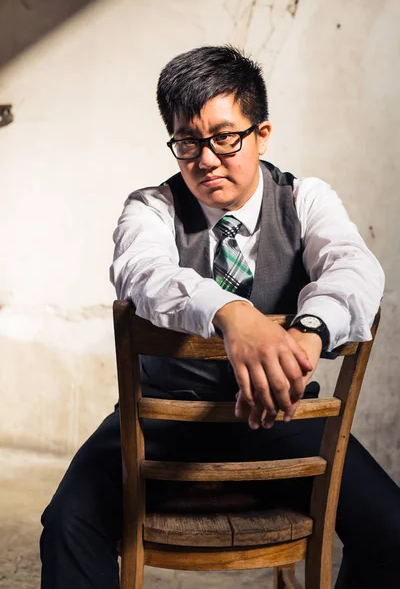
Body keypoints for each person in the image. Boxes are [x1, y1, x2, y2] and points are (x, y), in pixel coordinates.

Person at [40, 46, 400, 589]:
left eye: (225, 137)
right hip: (160, 422)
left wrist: (308, 333)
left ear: (262, 133)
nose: (206, 159)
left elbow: (354, 268)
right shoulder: (150, 207)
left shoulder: (306, 199)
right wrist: (234, 314)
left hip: (284, 420)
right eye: (188, 141)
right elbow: (142, 272)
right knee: (66, 524)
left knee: (393, 530)